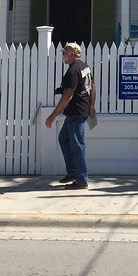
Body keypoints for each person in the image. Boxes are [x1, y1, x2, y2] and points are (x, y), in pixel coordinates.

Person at [45, 42, 96, 190]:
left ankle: (82, 180)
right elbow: (92, 86)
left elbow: (68, 95)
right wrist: (91, 106)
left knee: (77, 145)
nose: (63, 55)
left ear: (73, 53)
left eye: (65, 52)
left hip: (75, 112)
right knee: (64, 139)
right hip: (81, 110)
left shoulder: (73, 71)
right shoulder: (84, 67)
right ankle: (73, 172)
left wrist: (52, 116)